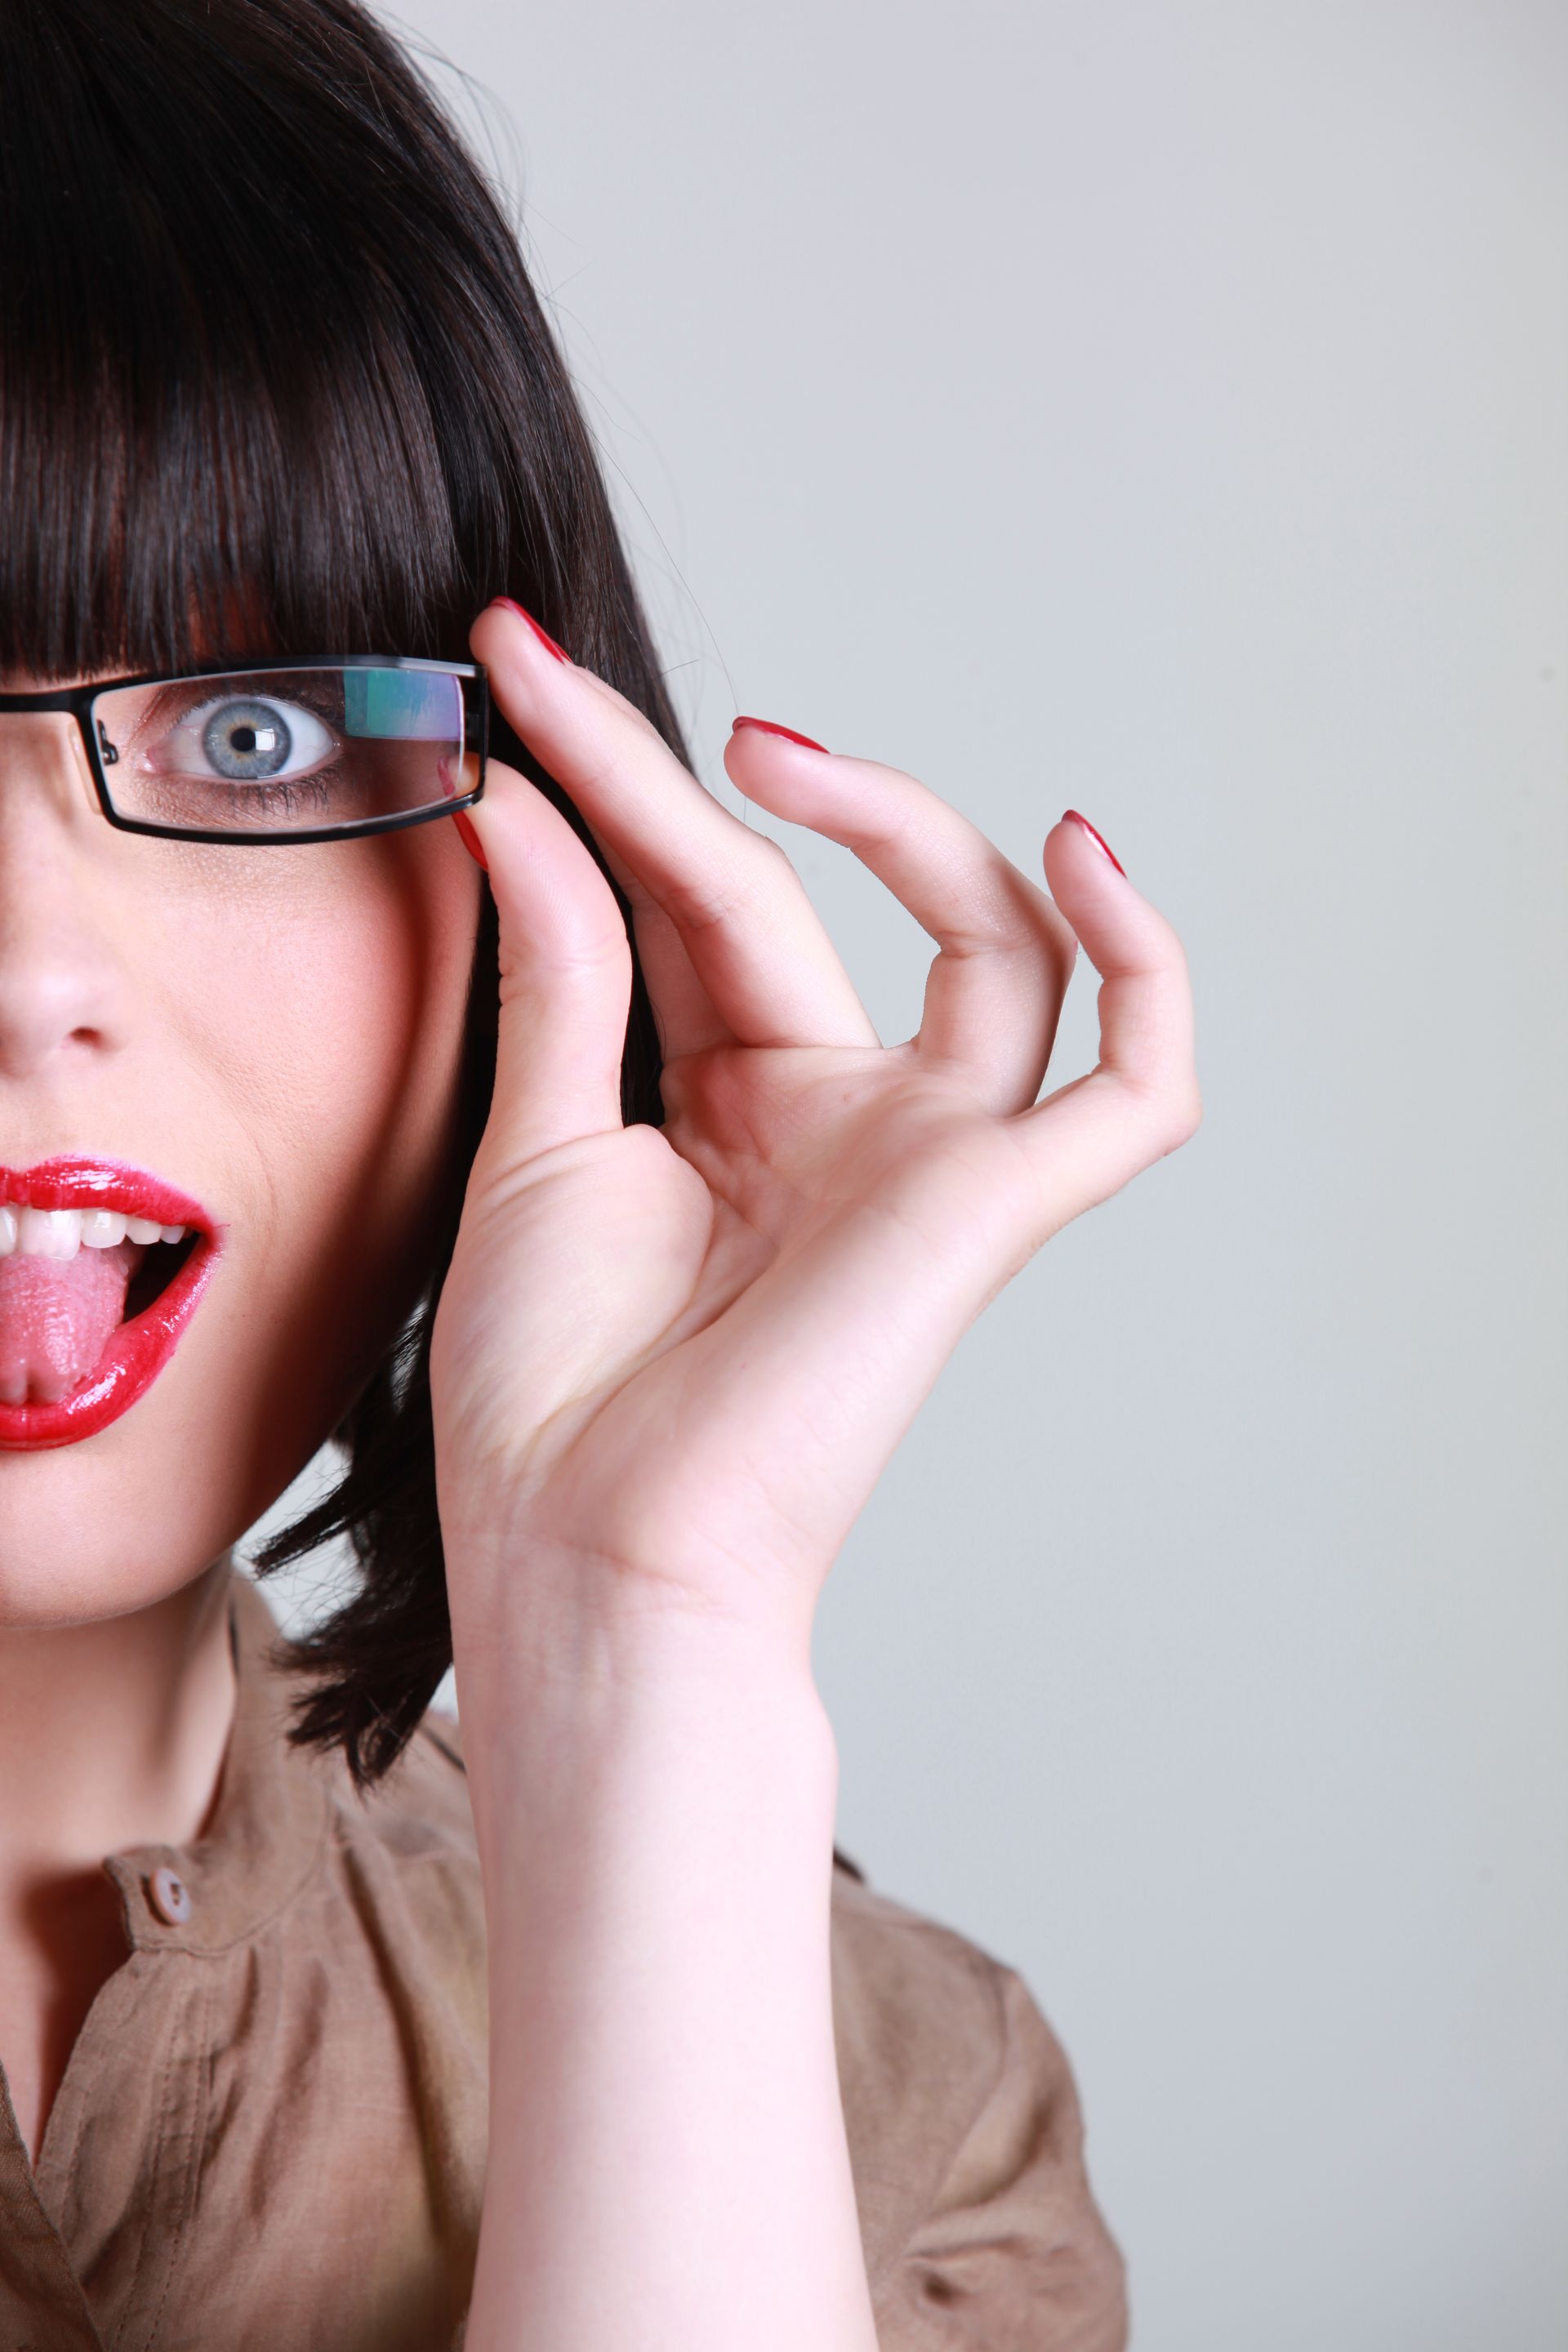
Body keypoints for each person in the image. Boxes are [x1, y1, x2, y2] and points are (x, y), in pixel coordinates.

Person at [0, 2, 1199, 2346]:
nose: (30, 970)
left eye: (250, 729)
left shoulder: (884, 2123)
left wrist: (651, 1652)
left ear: (536, 874)